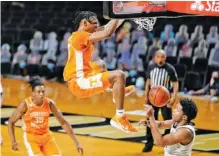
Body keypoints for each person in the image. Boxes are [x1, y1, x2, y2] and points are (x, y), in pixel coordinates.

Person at [63, 11, 137, 133]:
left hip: (84, 75)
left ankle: (116, 91)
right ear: (85, 23)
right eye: (95, 22)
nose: (97, 25)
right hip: (79, 83)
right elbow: (107, 33)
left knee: (101, 64)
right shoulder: (79, 36)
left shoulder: (81, 35)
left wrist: (125, 14)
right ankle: (119, 116)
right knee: (119, 75)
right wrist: (121, 14)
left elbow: (107, 27)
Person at [8, 78, 83, 156]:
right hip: (31, 138)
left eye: (43, 92)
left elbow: (63, 123)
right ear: (33, 93)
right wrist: (13, 141)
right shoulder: (24, 105)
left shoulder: (50, 103)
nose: (41, 94)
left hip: (47, 138)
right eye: (38, 92)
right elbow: (10, 122)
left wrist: (77, 143)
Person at [143, 49, 179, 152]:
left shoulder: (170, 69)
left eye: (162, 57)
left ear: (165, 58)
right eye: (158, 57)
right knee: (150, 120)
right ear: (155, 58)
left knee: (168, 120)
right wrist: (146, 96)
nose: (160, 59)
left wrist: (173, 97)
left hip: (165, 99)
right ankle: (149, 143)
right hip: (152, 98)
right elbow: (148, 82)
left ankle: (168, 142)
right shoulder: (151, 67)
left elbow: (175, 83)